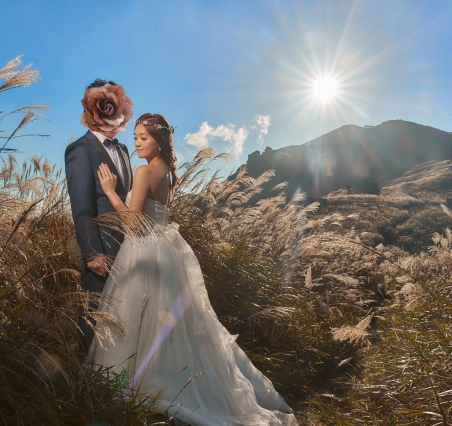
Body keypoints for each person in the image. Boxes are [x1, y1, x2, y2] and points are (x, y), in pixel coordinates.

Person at [87, 113, 298, 425]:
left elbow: (134, 221)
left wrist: (110, 192)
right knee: (164, 330)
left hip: (144, 251)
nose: (137, 144)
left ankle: (125, 389)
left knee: (132, 325)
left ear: (159, 141)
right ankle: (160, 385)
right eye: (135, 138)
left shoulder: (145, 171)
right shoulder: (169, 174)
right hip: (166, 253)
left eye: (144, 138)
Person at [64, 78, 134, 354]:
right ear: (92, 110)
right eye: (103, 105)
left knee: (119, 321)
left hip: (128, 249)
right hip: (101, 252)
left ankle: (113, 383)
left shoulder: (125, 150)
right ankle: (84, 383)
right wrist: (92, 253)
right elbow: (81, 206)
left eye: (114, 105)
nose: (110, 110)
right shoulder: (79, 150)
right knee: (93, 316)